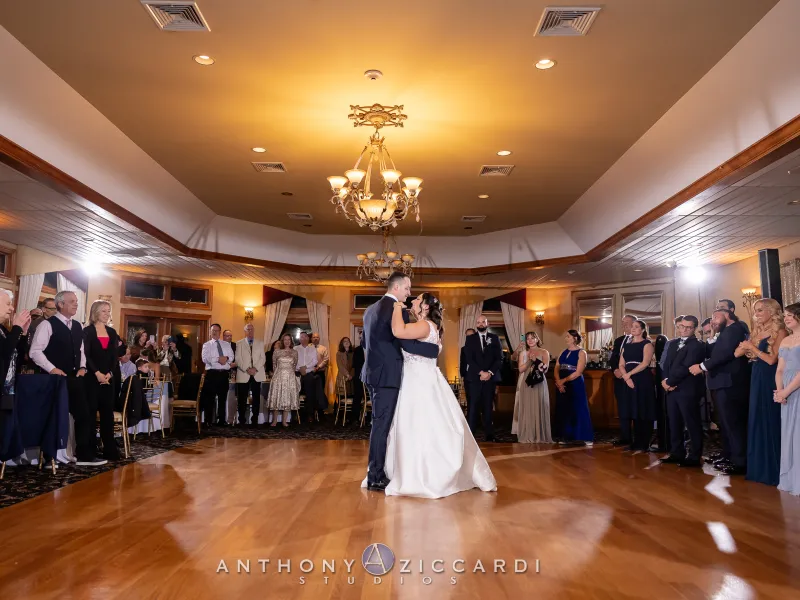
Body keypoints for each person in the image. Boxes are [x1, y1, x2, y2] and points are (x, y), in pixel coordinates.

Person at [360, 292, 496, 498]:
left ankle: (422, 474)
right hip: (421, 378)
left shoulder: (424, 326)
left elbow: (397, 331)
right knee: (423, 425)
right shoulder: (429, 326)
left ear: (424, 307)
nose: (412, 301)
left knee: (416, 425)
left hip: (418, 382)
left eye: (417, 300)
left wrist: (396, 307)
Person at [360, 272, 444, 492]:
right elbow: (406, 344)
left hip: (373, 374)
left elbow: (364, 344)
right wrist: (434, 349)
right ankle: (375, 476)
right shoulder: (397, 311)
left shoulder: (369, 310)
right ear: (396, 288)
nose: (409, 293)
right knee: (381, 426)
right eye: (407, 289)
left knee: (380, 424)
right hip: (387, 376)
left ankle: (378, 471)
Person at [30, 291, 107, 466]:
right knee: (53, 417)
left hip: (75, 378)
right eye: (72, 302)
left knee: (84, 415)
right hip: (54, 380)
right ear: (60, 304)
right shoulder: (47, 325)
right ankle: (49, 458)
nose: (76, 304)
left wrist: (82, 367)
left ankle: (84, 455)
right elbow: (35, 351)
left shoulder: (77, 326)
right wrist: (52, 369)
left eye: (76, 301)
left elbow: (81, 351)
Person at [689, 308, 750, 475]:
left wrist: (701, 367)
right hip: (720, 383)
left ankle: (740, 462)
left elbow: (724, 355)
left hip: (729, 383)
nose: (713, 320)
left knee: (733, 423)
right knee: (725, 423)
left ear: (728, 315)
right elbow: (714, 352)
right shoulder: (724, 332)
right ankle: (730, 457)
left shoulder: (735, 329)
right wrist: (711, 337)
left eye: (716, 317)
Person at [735, 299, 786, 485]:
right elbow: (736, 353)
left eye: (760, 310)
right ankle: (759, 468)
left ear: (772, 312)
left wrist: (752, 348)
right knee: (757, 418)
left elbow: (772, 360)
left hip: (770, 376)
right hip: (756, 375)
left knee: (771, 418)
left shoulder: (780, 331)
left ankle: (775, 470)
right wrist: (748, 344)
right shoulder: (756, 331)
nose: (756, 313)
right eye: (755, 310)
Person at [660, 316, 707, 467]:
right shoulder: (672, 343)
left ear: (694, 329)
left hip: (688, 388)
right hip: (671, 388)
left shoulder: (698, 345)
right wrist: (665, 380)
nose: (684, 330)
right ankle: (676, 452)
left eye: (688, 327)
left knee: (692, 422)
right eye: (682, 326)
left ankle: (694, 456)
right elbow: (665, 364)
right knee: (674, 422)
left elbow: (687, 366)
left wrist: (670, 382)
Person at [83, 300, 124, 461]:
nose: (107, 314)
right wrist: (97, 373)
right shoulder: (87, 331)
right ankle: (91, 450)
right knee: (91, 415)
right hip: (91, 379)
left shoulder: (112, 332)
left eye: (108, 311)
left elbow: (115, 357)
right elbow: (86, 355)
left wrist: (109, 374)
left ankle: (109, 449)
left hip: (108, 379)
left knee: (107, 415)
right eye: (104, 311)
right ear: (95, 313)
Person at [462, 315, 503, 442]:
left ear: (487, 323)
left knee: (488, 406)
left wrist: (489, 372)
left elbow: (499, 358)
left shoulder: (494, 338)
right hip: (475, 378)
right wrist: (480, 372)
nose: (480, 324)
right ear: (476, 324)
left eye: (483, 322)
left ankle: (489, 434)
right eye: (478, 322)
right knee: (473, 406)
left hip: (490, 379)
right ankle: (471, 434)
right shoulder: (470, 339)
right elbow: (469, 359)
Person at [619, 319, 656, 452]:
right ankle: (635, 441)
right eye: (632, 327)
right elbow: (621, 364)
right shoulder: (626, 345)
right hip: (628, 379)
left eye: (636, 327)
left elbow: (645, 363)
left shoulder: (647, 344)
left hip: (642, 378)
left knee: (643, 409)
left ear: (642, 330)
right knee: (632, 409)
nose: (633, 329)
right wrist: (625, 376)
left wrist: (629, 375)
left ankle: (643, 442)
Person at [775, 303, 800, 495]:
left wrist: (787, 391)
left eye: (790, 315)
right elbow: (780, 369)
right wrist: (779, 390)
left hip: (797, 388)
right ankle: (791, 478)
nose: (787, 318)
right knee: (789, 433)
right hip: (786, 392)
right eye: (785, 316)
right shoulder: (786, 340)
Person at [554, 330, 593, 446]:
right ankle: (566, 436)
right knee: (564, 409)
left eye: (568, 336)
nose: (566, 338)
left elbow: (579, 371)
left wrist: (563, 381)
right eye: (566, 336)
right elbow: (557, 367)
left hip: (575, 383)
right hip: (561, 382)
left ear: (575, 338)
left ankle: (584, 437)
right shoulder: (563, 352)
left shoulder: (582, 352)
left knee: (578, 408)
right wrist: (558, 381)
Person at [512, 331, 552, 443]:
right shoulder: (523, 353)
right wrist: (529, 360)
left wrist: (536, 360)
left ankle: (539, 435)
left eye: (532, 338)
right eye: (528, 338)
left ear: (537, 339)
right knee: (527, 407)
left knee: (539, 406)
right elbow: (520, 369)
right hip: (526, 382)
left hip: (539, 382)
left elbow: (545, 369)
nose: (530, 340)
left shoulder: (544, 352)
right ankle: (528, 433)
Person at [0, 290, 30, 416]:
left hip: (6, 390)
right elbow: (4, 352)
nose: (12, 308)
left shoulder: (2, 329)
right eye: (8, 304)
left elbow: (16, 355)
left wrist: (22, 334)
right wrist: (16, 327)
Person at [609, 314, 636, 446]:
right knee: (623, 408)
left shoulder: (641, 339)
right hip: (619, 379)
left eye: (627, 323)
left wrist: (627, 373)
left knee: (635, 407)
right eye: (623, 323)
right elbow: (613, 358)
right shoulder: (619, 340)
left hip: (634, 377)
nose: (624, 325)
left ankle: (638, 438)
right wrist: (615, 370)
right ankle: (625, 437)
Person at [200, 323, 234, 427]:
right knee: (209, 399)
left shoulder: (226, 344)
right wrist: (218, 359)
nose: (214, 332)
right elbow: (205, 359)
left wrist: (226, 359)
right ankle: (208, 421)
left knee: (222, 399)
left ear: (220, 331)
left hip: (223, 375)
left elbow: (232, 356)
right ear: (210, 332)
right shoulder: (207, 345)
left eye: (217, 330)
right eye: (213, 330)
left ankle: (222, 420)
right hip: (212, 374)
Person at [235, 323, 266, 427]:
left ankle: (255, 420)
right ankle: (242, 420)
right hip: (244, 373)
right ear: (245, 331)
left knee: (256, 398)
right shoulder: (239, 343)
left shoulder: (260, 343)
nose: (250, 331)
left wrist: (255, 368)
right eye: (248, 329)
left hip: (257, 374)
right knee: (242, 399)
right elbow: (238, 359)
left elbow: (263, 358)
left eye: (252, 329)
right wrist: (247, 369)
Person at [266, 334, 299, 427]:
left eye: (289, 339)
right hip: (278, 376)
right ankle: (274, 421)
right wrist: (276, 376)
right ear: (282, 341)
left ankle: (284, 421)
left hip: (289, 377)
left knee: (287, 399)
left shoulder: (295, 352)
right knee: (277, 398)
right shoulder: (277, 352)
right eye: (285, 339)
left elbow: (294, 366)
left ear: (291, 341)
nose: (287, 341)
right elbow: (274, 365)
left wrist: (290, 377)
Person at [295, 332, 319, 425]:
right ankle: (295, 414)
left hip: (308, 372)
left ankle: (310, 415)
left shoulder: (312, 348)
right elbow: (294, 361)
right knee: (296, 393)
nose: (304, 338)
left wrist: (305, 367)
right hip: (298, 372)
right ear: (299, 339)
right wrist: (300, 368)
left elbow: (315, 361)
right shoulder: (295, 349)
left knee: (310, 394)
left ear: (308, 339)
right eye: (302, 337)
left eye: (305, 336)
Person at [311, 332, 329, 420]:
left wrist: (318, 367)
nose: (315, 338)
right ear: (311, 338)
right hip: (310, 373)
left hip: (320, 372)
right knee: (312, 393)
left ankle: (321, 413)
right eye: (314, 337)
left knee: (320, 392)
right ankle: (312, 412)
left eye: (317, 337)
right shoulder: (308, 347)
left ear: (319, 338)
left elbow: (326, 360)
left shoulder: (323, 348)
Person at [352, 332, 366, 422]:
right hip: (359, 377)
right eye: (360, 338)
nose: (361, 339)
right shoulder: (357, 350)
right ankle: (355, 418)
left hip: (371, 378)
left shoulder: (373, 348)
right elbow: (355, 364)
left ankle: (369, 419)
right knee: (357, 397)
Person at [460, 328, 476, 407]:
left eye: (471, 335)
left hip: (477, 376)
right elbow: (462, 362)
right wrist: (462, 374)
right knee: (469, 398)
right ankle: (470, 417)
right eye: (467, 336)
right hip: (467, 376)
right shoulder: (463, 349)